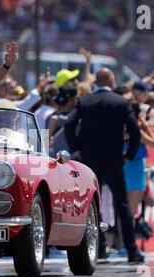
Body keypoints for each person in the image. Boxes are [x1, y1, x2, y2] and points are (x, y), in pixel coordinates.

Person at [64, 68, 144, 263]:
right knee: (122, 205)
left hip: (90, 160)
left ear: (97, 82)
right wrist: (130, 154)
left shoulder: (85, 101)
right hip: (114, 159)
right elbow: (135, 131)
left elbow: (69, 125)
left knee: (92, 205)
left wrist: (77, 149)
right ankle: (132, 250)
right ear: (111, 80)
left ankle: (97, 248)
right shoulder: (121, 102)